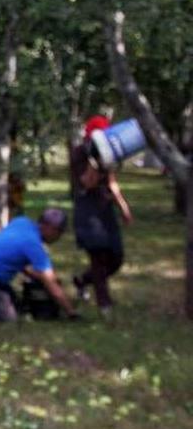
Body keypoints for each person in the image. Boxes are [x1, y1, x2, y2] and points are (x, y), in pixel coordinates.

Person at [0, 208, 79, 322]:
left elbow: (13, 255)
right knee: (8, 318)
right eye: (59, 232)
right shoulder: (33, 245)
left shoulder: (22, 222)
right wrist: (71, 312)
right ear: (49, 228)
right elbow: (53, 287)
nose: (59, 237)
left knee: (20, 308)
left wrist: (37, 276)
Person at [70, 115, 133, 316]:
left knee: (116, 257)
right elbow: (87, 182)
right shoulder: (79, 154)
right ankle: (105, 305)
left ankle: (82, 281)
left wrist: (123, 206)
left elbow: (112, 181)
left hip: (105, 211)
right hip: (88, 212)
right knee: (98, 257)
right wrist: (94, 160)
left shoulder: (108, 152)